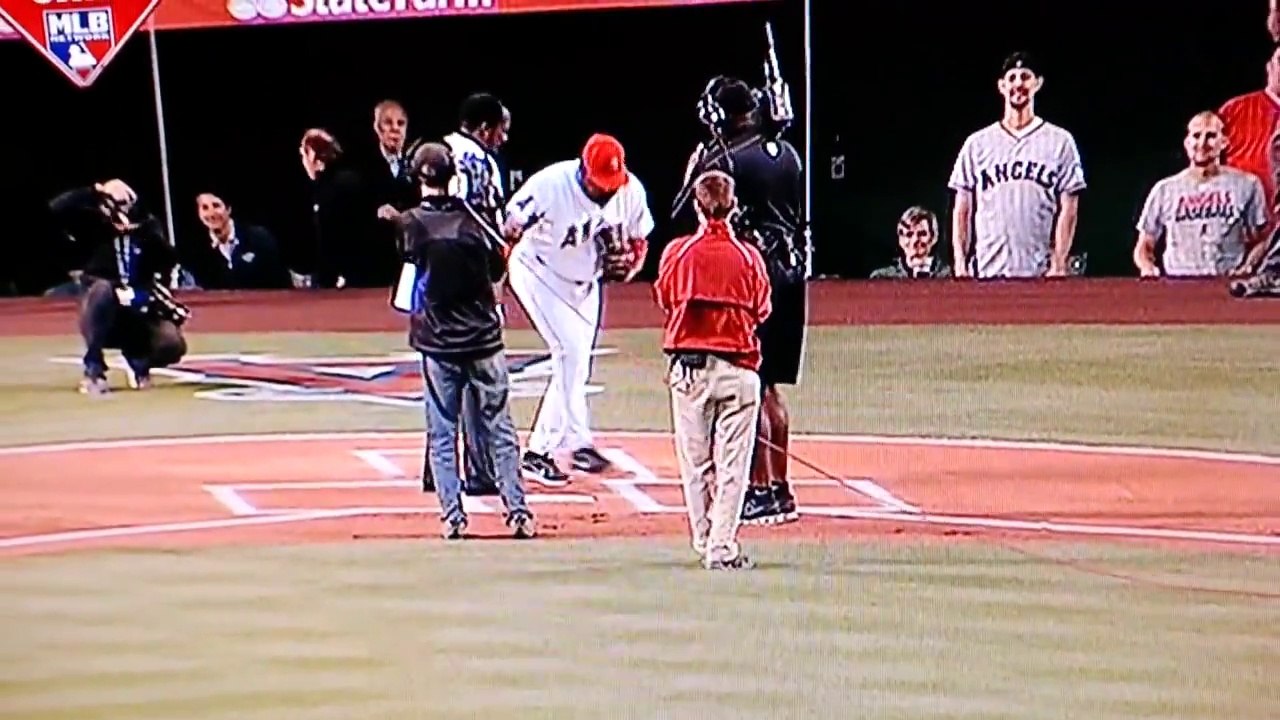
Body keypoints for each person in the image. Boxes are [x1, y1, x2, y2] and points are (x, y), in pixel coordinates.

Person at [674, 76, 806, 527]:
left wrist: (696, 168)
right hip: (792, 272)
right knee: (772, 388)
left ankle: (761, 490)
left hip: (754, 273)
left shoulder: (726, 159)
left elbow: (682, 211)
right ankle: (781, 487)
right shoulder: (787, 153)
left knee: (751, 380)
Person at [394, 142, 535, 540]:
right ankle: (518, 510)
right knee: (499, 426)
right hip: (484, 338)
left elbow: (411, 258)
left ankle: (453, 517)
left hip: (439, 343)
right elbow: (497, 262)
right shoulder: (475, 220)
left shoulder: (413, 223)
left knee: (442, 431)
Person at [502, 133, 654, 483]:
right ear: (584, 169)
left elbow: (640, 240)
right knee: (569, 351)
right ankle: (571, 443)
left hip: (586, 283)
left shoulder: (630, 191)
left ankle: (545, 450)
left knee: (575, 362)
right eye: (601, 182)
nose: (608, 189)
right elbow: (508, 231)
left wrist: (631, 266)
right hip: (538, 272)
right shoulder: (549, 185)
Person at [655, 170, 771, 570]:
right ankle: (721, 546)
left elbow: (666, 300)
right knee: (732, 465)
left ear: (696, 206)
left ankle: (706, 539)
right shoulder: (748, 257)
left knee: (696, 463)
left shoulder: (677, 253)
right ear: (733, 205)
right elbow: (763, 310)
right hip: (739, 371)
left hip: (690, 371)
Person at [948, 52, 1087, 279]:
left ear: (1037, 83)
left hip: (1039, 272)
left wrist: (1059, 262)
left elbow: (1069, 207)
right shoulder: (978, 143)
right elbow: (962, 207)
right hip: (987, 271)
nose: (1018, 84)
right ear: (1001, 86)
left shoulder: (1059, 141)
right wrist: (960, 263)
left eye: (1025, 77)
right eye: (1012, 78)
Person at [48, 179, 188, 394]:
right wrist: (94, 191)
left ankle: (139, 361)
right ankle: (94, 368)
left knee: (171, 344)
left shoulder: (146, 227)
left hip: (137, 302)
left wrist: (144, 234)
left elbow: (169, 258)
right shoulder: (92, 225)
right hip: (101, 303)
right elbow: (56, 207)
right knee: (102, 291)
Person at [1134, 111, 1270, 278]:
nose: (1202, 143)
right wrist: (1147, 267)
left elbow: (1263, 240)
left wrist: (1248, 266)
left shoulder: (1247, 184)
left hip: (1225, 284)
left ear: (1225, 142)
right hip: (1177, 284)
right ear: (1186, 142)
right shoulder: (1165, 189)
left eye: (1211, 136)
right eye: (1196, 136)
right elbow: (1145, 243)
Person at [870, 206, 953, 279]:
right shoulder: (883, 278)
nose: (915, 241)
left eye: (922, 234)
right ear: (901, 240)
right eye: (909, 235)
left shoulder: (950, 277)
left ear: (933, 238)